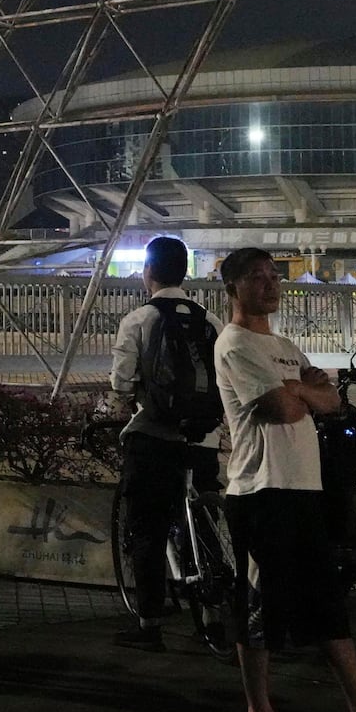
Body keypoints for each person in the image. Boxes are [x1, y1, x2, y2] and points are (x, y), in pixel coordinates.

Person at [215, 246, 356, 712]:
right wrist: (300, 392)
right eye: (257, 277)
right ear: (233, 288)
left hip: (303, 486)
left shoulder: (286, 347)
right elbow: (285, 410)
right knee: (259, 602)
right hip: (260, 490)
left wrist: (299, 390)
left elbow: (329, 400)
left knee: (325, 599)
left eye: (274, 276)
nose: (271, 284)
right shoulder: (234, 344)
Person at [108, 235, 225, 652]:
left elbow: (121, 384)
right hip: (204, 438)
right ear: (185, 273)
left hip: (154, 437)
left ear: (148, 274)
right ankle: (214, 616)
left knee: (148, 531)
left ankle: (149, 624)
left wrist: (116, 412)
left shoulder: (139, 319)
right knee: (205, 524)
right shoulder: (210, 321)